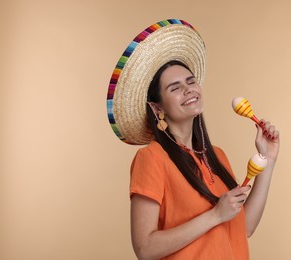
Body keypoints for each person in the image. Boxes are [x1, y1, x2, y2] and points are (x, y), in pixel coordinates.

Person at [107, 19, 279, 260]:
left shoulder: (216, 156)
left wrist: (268, 161)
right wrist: (215, 215)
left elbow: (245, 227)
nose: (188, 90)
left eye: (191, 81)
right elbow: (145, 249)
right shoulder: (152, 159)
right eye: (174, 88)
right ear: (158, 108)